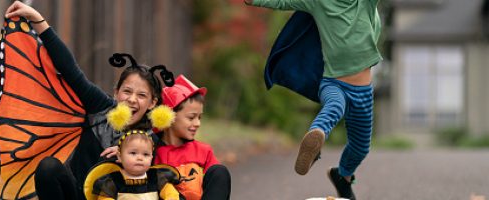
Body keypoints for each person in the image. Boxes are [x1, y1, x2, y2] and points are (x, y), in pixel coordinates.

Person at [4, 1, 175, 199]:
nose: (132, 100)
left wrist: (129, 155)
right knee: (48, 167)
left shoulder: (153, 140)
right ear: (116, 92)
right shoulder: (100, 108)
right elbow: (70, 71)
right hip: (76, 194)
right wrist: (38, 20)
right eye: (127, 91)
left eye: (142, 95)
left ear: (153, 103)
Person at [244, 0, 382, 199]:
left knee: (361, 147)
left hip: (363, 92)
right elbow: (282, 2)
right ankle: (315, 139)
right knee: (334, 106)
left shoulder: (365, 3)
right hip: (333, 84)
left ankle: (342, 175)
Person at [154, 75, 232, 200]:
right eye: (191, 117)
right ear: (169, 116)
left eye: (199, 117)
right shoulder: (152, 151)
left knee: (219, 171)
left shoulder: (203, 151)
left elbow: (217, 186)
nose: (197, 123)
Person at [89, 130, 181, 200]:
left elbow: (171, 194)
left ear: (151, 158)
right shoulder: (114, 180)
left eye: (145, 154)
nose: (140, 158)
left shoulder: (157, 177)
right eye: (133, 153)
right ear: (120, 157)